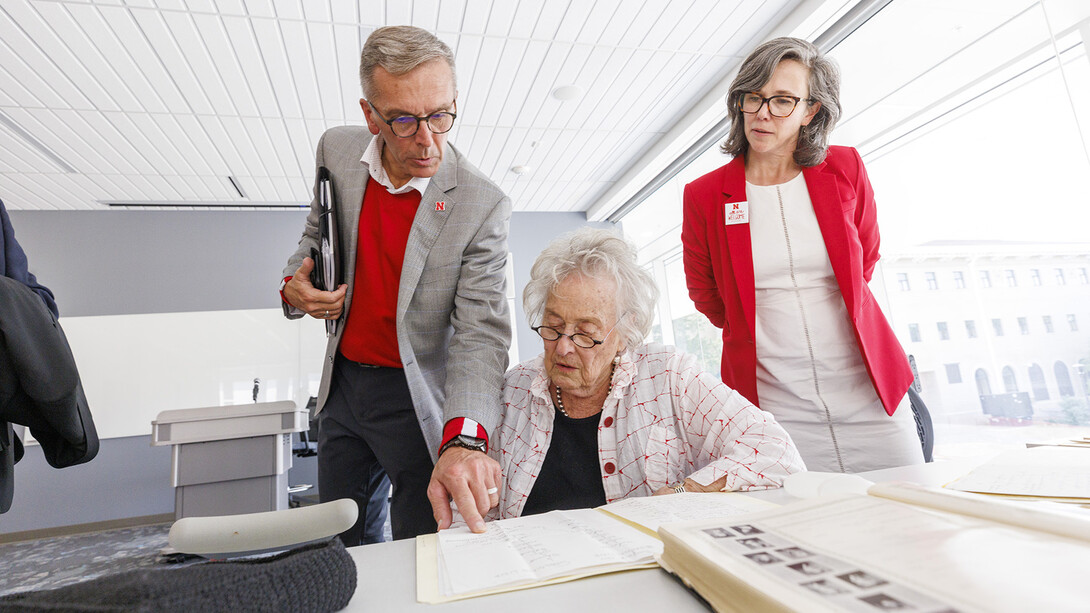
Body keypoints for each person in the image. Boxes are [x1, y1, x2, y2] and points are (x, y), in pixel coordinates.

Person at [280, 26, 510, 543]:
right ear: (371, 116)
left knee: (421, 548)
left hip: (416, 395)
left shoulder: (481, 204)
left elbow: (482, 334)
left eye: (441, 115)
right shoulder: (337, 150)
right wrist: (291, 287)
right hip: (342, 387)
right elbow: (317, 234)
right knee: (339, 540)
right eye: (404, 120)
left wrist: (467, 439)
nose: (427, 140)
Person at [681, 37, 923, 473]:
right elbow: (707, 295)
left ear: (811, 110)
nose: (762, 112)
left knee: (911, 520)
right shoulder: (704, 196)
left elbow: (864, 260)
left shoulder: (845, 167)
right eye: (753, 97)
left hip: (869, 395)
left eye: (782, 101)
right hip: (774, 410)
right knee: (798, 533)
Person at [488, 228, 804, 519]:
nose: (563, 348)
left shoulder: (667, 377)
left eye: (585, 333)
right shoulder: (513, 392)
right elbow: (472, 514)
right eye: (553, 327)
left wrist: (684, 493)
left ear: (625, 331)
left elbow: (774, 450)